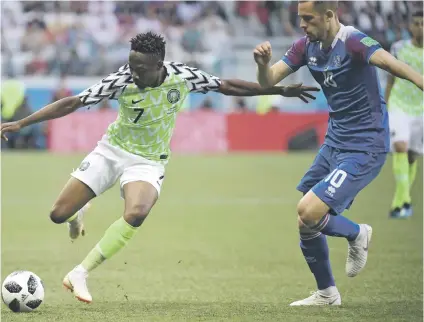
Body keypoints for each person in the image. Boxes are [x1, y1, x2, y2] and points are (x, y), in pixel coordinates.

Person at [0, 31, 319, 304]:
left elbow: (228, 86)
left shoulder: (183, 76)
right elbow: (74, 102)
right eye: (131, 63)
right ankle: (77, 215)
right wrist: (22, 123)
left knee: (137, 212)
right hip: (111, 151)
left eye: (139, 67)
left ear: (158, 65)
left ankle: (80, 272)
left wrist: (277, 90)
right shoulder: (122, 79)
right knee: (58, 214)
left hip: (148, 161)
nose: (132, 71)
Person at [253, 1, 423, 306]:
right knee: (305, 219)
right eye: (299, 19)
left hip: (366, 144)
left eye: (308, 19)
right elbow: (268, 82)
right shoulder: (306, 46)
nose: (302, 25)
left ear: (329, 16)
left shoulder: (354, 40)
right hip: (335, 141)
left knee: (309, 211)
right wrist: (262, 64)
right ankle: (327, 294)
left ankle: (357, 233)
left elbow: (389, 62)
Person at [385, 10, 423, 219]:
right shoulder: (399, 48)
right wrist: (384, 105)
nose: (420, 28)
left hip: (421, 110)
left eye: (423, 24)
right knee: (400, 146)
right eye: (416, 23)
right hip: (399, 106)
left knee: (412, 155)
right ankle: (406, 200)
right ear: (410, 26)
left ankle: (399, 203)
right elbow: (390, 80)